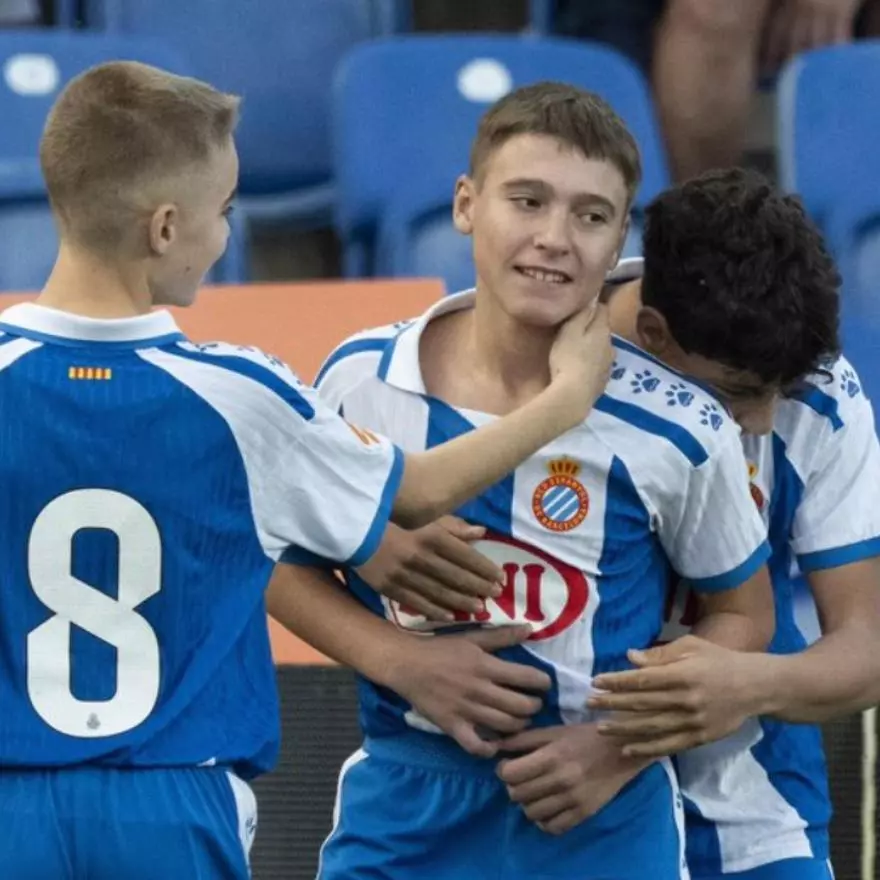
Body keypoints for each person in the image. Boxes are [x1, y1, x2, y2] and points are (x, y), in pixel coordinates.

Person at [0, 61, 615, 880]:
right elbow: (423, 490)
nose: (226, 237)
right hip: (176, 798)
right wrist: (567, 399)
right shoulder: (240, 395)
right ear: (165, 230)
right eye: (223, 213)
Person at [291, 82, 774, 880]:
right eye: (527, 200)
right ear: (465, 205)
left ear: (622, 234)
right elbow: (281, 562)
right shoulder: (360, 380)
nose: (555, 237)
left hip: (601, 814)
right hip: (407, 805)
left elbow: (743, 618)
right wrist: (398, 659)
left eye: (590, 215)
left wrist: (617, 746)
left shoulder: (681, 427)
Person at [585, 169, 880, 880]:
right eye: (742, 393)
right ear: (653, 334)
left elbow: (867, 643)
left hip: (752, 808)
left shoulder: (817, 388)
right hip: (563, 791)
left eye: (784, 392)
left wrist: (750, 686)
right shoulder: (532, 365)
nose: (763, 421)